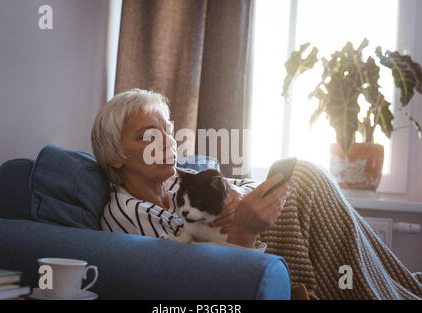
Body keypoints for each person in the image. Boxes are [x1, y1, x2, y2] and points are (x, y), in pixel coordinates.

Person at [91, 88, 422, 300]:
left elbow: (242, 184)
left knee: (303, 176)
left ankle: (396, 288)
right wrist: (242, 230)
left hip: (266, 242)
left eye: (167, 130)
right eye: (149, 136)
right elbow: (192, 285)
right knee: (304, 178)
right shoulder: (125, 216)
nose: (167, 141)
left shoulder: (184, 180)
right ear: (116, 156)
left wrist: (237, 195)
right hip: (252, 259)